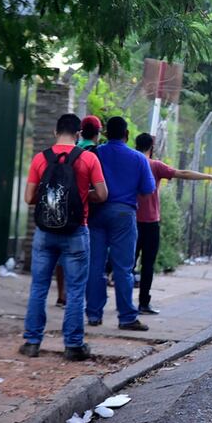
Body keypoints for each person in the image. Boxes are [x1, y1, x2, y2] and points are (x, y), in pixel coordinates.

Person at [20, 114, 107, 361]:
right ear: (79, 134)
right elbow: (102, 194)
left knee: (38, 286)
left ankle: (32, 342)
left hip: (45, 231)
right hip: (76, 230)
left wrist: (51, 200)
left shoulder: (40, 158)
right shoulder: (88, 158)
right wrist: (78, 198)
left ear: (54, 132)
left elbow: (29, 198)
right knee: (76, 289)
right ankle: (73, 345)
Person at [134, 133, 212, 314]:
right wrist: (211, 177)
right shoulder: (155, 165)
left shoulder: (130, 163)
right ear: (151, 148)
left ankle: (124, 306)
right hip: (150, 222)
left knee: (127, 264)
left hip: (130, 220)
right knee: (147, 264)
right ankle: (143, 303)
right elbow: (183, 173)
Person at [86, 117, 155, 331]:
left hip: (96, 213)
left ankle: (94, 315)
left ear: (105, 134)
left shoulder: (94, 154)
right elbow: (147, 189)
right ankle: (126, 317)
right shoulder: (138, 158)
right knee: (124, 268)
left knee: (95, 266)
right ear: (126, 135)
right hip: (125, 214)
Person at [54, 115, 105, 307]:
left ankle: (61, 294)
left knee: (59, 253)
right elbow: (101, 191)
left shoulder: (63, 152)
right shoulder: (92, 154)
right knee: (79, 255)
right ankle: (78, 300)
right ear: (98, 133)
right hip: (83, 213)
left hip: (58, 210)